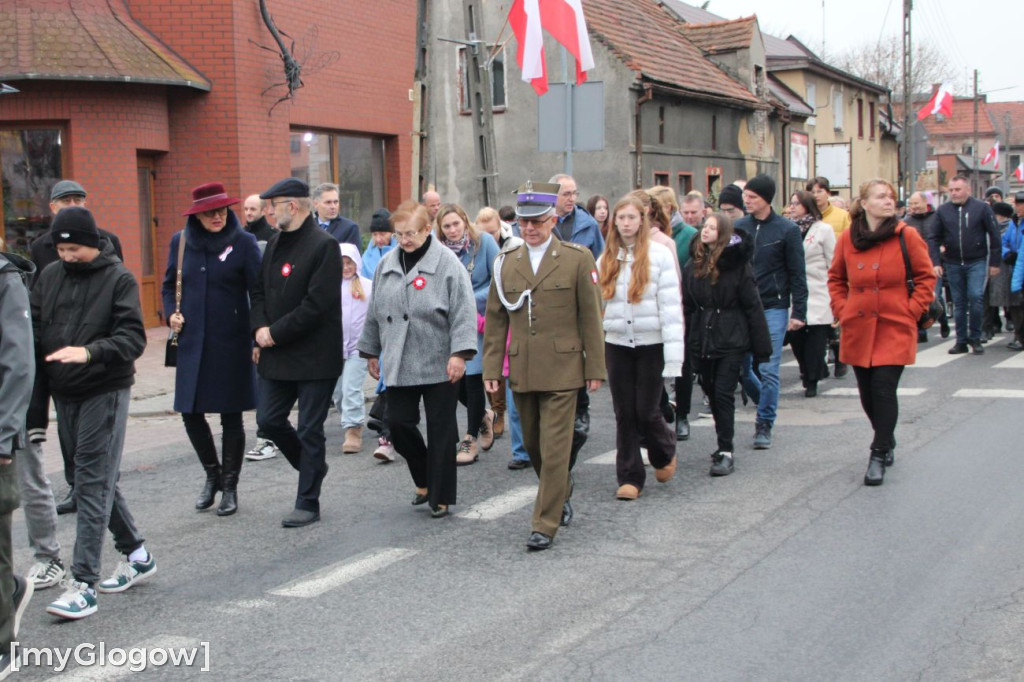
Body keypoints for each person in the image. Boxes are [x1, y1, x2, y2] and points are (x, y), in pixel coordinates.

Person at [31, 207, 154, 620]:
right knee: (87, 477)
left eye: (75, 248)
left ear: (94, 243)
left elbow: (132, 338)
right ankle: (136, 553)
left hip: (106, 387)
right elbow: (34, 333)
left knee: (91, 477)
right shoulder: (47, 277)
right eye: (61, 248)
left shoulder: (118, 278)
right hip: (64, 392)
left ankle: (82, 583)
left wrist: (89, 352)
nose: (67, 255)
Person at [483, 181, 606, 551]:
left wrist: (594, 367)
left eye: (537, 221)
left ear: (553, 220)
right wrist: (491, 369)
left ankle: (544, 522)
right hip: (523, 367)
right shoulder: (507, 262)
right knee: (535, 446)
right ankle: (561, 488)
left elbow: (591, 317)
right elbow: (496, 318)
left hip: (564, 368)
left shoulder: (576, 258)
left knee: (555, 448)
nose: (530, 229)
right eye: (523, 222)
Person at [358, 205, 477, 518]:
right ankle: (424, 478)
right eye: (399, 234)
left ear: (427, 230)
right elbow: (374, 311)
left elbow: (464, 311)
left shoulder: (448, 264)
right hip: (399, 357)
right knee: (397, 423)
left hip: (441, 359)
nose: (405, 240)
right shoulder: (387, 263)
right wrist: (371, 351)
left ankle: (441, 496)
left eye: (410, 233)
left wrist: (460, 354)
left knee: (440, 429)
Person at [162, 182, 261, 517]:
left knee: (231, 415)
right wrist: (171, 313)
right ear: (197, 215)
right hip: (192, 342)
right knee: (190, 412)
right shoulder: (181, 241)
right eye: (209, 212)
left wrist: (257, 333)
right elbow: (167, 285)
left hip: (231, 341)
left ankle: (230, 487)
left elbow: (258, 291)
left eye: (221, 210)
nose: (217, 217)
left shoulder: (244, 243)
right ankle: (212, 475)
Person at [828, 179, 936, 486]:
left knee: (884, 389)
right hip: (858, 324)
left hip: (893, 323)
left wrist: (912, 310)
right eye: (880, 197)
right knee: (866, 392)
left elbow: (926, 277)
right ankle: (886, 436)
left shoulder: (907, 235)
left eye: (890, 197)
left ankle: (877, 453)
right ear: (864, 204)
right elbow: (836, 278)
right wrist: (842, 309)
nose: (888, 201)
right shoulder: (849, 238)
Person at [252, 178, 343, 528]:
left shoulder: (324, 246)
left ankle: (308, 500)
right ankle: (313, 466)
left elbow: (317, 304)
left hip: (314, 356)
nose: (268, 211)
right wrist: (258, 331)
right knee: (268, 420)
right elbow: (258, 292)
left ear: (293, 206)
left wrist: (274, 333)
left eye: (273, 205)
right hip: (276, 352)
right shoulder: (274, 243)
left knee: (309, 428)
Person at [30, 180, 125, 517]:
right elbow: (36, 301)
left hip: (96, 350)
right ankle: (77, 485)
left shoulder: (107, 241)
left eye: (78, 199)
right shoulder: (41, 247)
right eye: (66, 199)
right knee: (67, 431)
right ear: (53, 207)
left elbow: (117, 291)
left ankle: (98, 488)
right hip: (58, 350)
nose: (73, 204)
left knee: (94, 440)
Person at [598, 195, 682, 499]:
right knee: (624, 413)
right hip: (617, 342)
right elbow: (598, 307)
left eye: (632, 218)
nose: (626, 223)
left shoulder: (659, 255)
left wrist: (674, 359)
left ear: (642, 220)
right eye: (620, 218)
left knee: (647, 411)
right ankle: (630, 477)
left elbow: (672, 308)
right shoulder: (606, 257)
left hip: (651, 343)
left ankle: (663, 450)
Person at [683, 214, 771, 476]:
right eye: (704, 227)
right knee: (709, 389)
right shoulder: (693, 266)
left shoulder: (738, 266)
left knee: (722, 393)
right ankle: (722, 444)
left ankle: (726, 450)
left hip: (732, 338)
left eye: (712, 227)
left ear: (722, 233)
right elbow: (688, 306)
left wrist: (761, 347)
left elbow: (753, 305)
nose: (705, 231)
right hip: (704, 337)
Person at [736, 174, 808, 449]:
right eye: (746, 197)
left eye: (752, 197)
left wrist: (798, 311)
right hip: (743, 306)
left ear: (766, 199)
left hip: (774, 306)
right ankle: (763, 400)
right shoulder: (739, 228)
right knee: (742, 367)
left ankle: (764, 422)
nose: (747, 201)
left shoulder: (787, 230)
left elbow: (797, 274)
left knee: (768, 368)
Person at [434, 204, 500, 465]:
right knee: (455, 380)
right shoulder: (437, 252)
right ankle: (484, 415)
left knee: (473, 378)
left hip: (478, 319)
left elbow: (499, 280)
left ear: (465, 222)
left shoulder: (483, 243)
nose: (452, 230)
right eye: (446, 226)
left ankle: (470, 438)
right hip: (448, 321)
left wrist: (470, 300)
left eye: (456, 224)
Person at [0, 245, 36, 673]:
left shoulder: (5, 280)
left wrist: (4, 435)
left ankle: (3, 644)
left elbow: (17, 364)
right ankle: (11, 590)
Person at [550, 174, 605, 446]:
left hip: (579, 299)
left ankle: (581, 408)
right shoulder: (542, 221)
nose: (572, 199)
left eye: (574, 193)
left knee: (577, 355)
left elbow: (599, 263)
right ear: (553, 196)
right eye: (566, 194)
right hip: (551, 300)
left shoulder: (588, 224)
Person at [927, 175, 1001, 355]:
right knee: (959, 303)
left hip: (976, 260)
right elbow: (933, 237)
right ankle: (961, 341)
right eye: (951, 190)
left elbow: (994, 235)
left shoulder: (981, 208)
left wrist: (994, 263)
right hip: (953, 263)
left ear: (968, 190)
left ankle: (975, 337)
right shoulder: (943, 211)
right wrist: (935, 262)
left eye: (958, 189)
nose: (954, 193)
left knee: (975, 297)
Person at [787, 191, 836, 397]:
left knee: (815, 339)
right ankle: (808, 370)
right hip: (794, 292)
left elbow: (832, 260)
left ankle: (812, 378)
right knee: (796, 338)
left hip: (818, 289)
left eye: (797, 204)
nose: (792, 208)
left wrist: (835, 291)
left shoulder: (823, 229)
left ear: (807, 206)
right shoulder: (787, 229)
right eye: (791, 204)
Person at [475, 207, 513, 440]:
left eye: (493, 232)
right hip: (480, 315)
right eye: (484, 233)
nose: (490, 237)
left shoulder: (512, 245)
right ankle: (495, 411)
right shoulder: (477, 247)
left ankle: (502, 412)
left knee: (504, 368)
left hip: (503, 313)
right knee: (489, 370)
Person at [335, 243, 373, 454]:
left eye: (349, 262)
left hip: (359, 347)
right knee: (339, 393)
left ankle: (353, 428)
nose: (346, 267)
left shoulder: (367, 286)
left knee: (351, 387)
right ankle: (348, 416)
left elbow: (375, 314)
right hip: (335, 348)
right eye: (341, 263)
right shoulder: (329, 286)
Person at [904, 191, 950, 340]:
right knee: (918, 295)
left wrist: (944, 247)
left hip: (933, 263)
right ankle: (922, 330)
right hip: (913, 266)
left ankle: (943, 321)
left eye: (916, 203)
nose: (913, 207)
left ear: (925, 202)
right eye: (911, 204)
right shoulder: (907, 222)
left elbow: (946, 236)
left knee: (934, 295)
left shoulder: (937, 218)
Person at [983, 202, 1015, 342]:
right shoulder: (987, 227)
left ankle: (1012, 324)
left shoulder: (1013, 226)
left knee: (1012, 300)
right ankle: (987, 328)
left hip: (1007, 266)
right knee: (987, 298)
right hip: (989, 266)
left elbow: (1010, 244)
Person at [313, 183, 361, 250]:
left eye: (336, 202)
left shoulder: (349, 228)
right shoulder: (307, 227)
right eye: (328, 202)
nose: (333, 206)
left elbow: (352, 258)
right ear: (316, 204)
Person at [1006, 193, 1024, 351]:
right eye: (1016, 203)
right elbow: (1004, 240)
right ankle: (1019, 336)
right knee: (1016, 306)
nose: (1017, 206)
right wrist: (1007, 253)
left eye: (1020, 203)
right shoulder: (1014, 221)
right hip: (1015, 265)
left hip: (1019, 265)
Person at [361, 208, 397, 279]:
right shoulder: (366, 256)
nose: (378, 239)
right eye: (375, 234)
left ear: (392, 233)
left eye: (382, 234)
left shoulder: (400, 253)